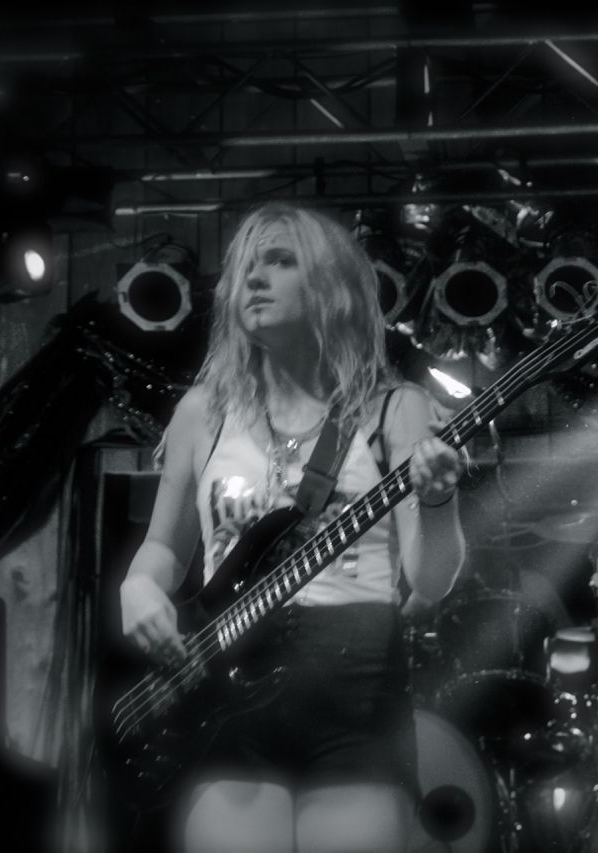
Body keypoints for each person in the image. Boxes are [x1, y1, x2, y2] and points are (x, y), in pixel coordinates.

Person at [119, 201, 465, 853]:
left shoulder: (394, 409)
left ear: (331, 286)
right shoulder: (203, 413)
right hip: (226, 681)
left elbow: (429, 579)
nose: (254, 278)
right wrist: (137, 588)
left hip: (353, 693)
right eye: (246, 266)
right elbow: (163, 546)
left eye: (279, 261)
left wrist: (441, 501)